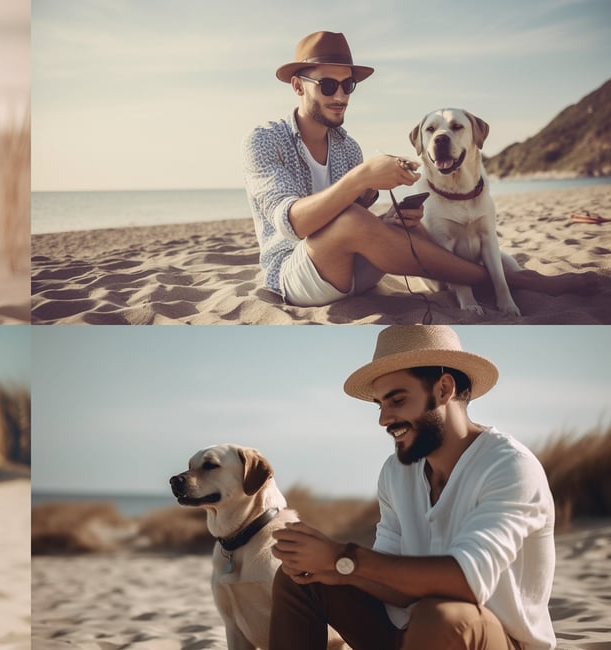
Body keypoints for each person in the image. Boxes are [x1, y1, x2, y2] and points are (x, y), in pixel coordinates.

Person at [242, 31, 589, 308]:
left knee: (404, 221)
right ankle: (514, 280)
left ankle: (494, 279)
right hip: (294, 276)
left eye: (348, 85)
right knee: (353, 221)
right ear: (298, 85)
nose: (341, 96)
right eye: (328, 85)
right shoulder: (265, 141)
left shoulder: (347, 147)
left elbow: (356, 222)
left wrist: (382, 214)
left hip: (354, 274)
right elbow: (293, 224)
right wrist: (361, 178)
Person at [268, 325, 555, 649]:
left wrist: (342, 556)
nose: (384, 419)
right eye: (380, 405)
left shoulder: (509, 467)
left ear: (444, 389)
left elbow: (468, 583)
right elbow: (389, 582)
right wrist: (336, 570)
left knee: (443, 616)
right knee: (301, 580)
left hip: (488, 638)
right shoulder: (396, 472)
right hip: (408, 629)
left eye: (397, 400)